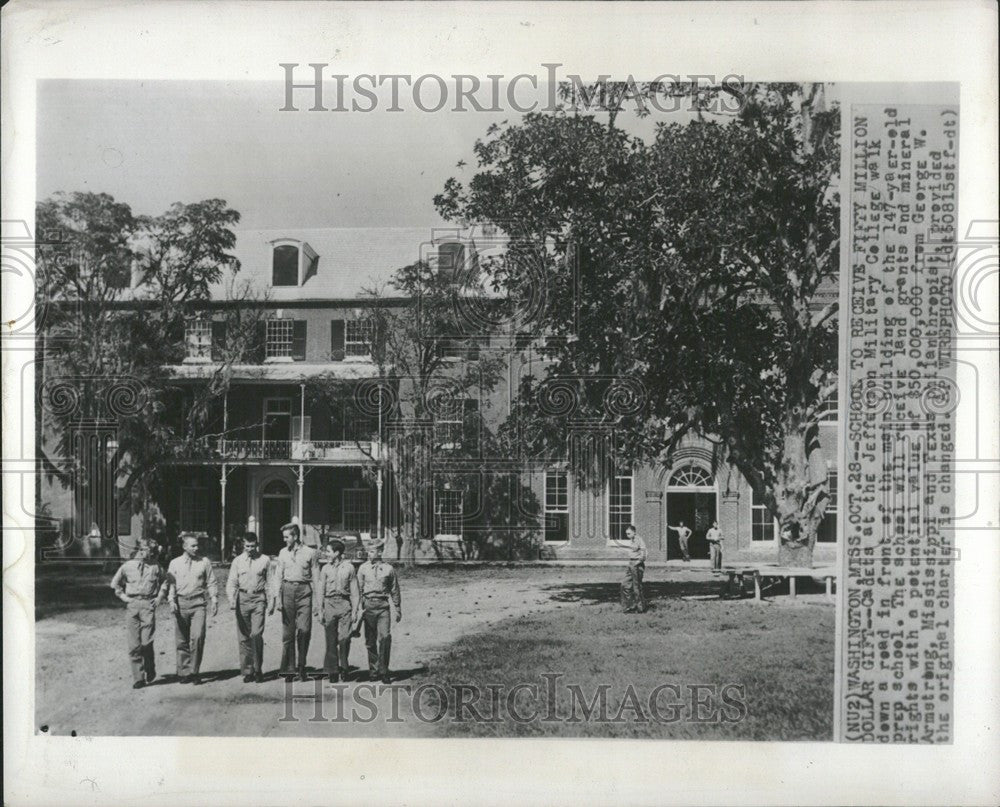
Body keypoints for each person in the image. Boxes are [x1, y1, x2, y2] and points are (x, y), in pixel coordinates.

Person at [110, 540, 167, 689]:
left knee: (146, 642)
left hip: (148, 605)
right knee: (134, 645)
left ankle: (149, 667)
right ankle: (138, 678)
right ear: (138, 550)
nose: (146, 553)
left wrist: (160, 597)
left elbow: (166, 581)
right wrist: (124, 597)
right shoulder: (127, 566)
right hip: (132, 605)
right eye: (143, 550)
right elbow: (115, 584)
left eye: (150, 550)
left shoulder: (155, 567)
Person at [164, 534, 218, 685]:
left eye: (197, 545)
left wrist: (214, 599)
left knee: (198, 637)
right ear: (184, 546)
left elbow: (211, 582)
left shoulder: (204, 562)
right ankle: (184, 672)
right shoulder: (175, 563)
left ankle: (194, 672)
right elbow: (171, 584)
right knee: (182, 640)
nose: (196, 548)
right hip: (180, 603)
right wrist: (171, 600)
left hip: (198, 603)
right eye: (193, 545)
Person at [273, 522, 319, 681]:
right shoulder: (282, 553)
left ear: (295, 536)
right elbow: (278, 576)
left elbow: (317, 579)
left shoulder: (310, 553)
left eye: (287, 537)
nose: (284, 540)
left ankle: (302, 665)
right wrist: (278, 598)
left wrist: (318, 603)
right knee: (288, 633)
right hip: (287, 591)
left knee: (304, 630)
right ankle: (289, 669)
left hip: (304, 591)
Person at [225, 532, 272, 683]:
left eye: (252, 546)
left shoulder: (265, 560)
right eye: (247, 546)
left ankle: (258, 669)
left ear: (257, 545)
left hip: (259, 598)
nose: (250, 549)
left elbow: (270, 582)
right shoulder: (237, 561)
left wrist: (271, 602)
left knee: (256, 634)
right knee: (244, 636)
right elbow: (232, 582)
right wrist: (231, 599)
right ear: (243, 545)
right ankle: (248, 671)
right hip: (243, 599)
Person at [356, 537, 401, 684]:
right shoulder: (363, 568)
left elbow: (394, 590)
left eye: (372, 551)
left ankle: (383, 671)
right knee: (370, 641)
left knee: (385, 637)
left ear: (380, 552)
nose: (369, 554)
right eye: (368, 551)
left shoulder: (389, 569)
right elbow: (358, 590)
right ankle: (373, 671)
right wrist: (358, 609)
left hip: (383, 607)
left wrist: (398, 608)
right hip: (368, 606)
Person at [317, 539, 361, 683]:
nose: (326, 554)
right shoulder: (325, 569)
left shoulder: (349, 568)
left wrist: (355, 610)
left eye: (328, 551)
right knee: (330, 640)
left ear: (337, 553)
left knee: (345, 638)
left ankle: (344, 666)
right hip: (329, 604)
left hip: (344, 604)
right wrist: (320, 610)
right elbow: (320, 591)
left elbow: (355, 591)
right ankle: (334, 670)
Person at [612, 525, 647, 613]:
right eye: (626, 534)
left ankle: (640, 608)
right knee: (624, 584)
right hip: (631, 564)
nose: (627, 535)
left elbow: (645, 554)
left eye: (629, 533)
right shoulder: (632, 540)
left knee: (636, 587)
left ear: (634, 532)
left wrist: (637, 562)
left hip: (637, 564)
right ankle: (629, 606)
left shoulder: (639, 540)